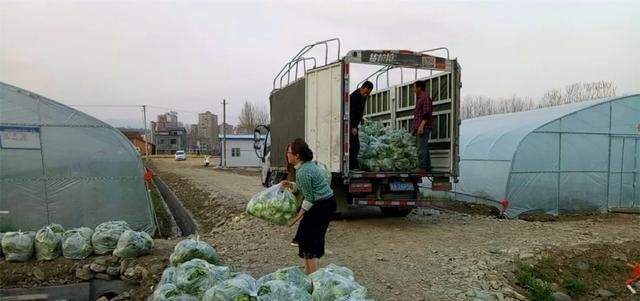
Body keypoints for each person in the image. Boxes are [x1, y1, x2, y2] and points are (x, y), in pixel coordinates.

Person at [281, 138, 336, 274]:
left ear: (297, 156)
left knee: (310, 243)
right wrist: (291, 185)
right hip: (325, 203)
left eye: (289, 152)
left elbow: (309, 199)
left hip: (322, 205)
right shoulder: (306, 167)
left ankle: (315, 280)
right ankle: (308, 276)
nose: (287, 154)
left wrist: (297, 217)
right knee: (306, 240)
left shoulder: (303, 171)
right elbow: (303, 187)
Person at [349, 81, 374, 170]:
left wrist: (361, 118)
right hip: (351, 124)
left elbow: (359, 111)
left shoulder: (363, 97)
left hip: (355, 123)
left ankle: (353, 164)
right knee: (355, 145)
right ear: (362, 88)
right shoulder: (354, 97)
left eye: (368, 93)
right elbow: (351, 113)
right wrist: (353, 126)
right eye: (366, 92)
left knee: (355, 145)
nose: (366, 94)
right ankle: (352, 165)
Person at [412, 80, 433, 172]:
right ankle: (427, 166)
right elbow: (418, 115)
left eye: (414, 87)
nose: (414, 89)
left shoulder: (425, 98)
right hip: (420, 127)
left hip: (423, 127)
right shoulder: (419, 98)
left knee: (421, 148)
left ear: (419, 88)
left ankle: (422, 167)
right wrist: (414, 129)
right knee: (424, 147)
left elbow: (426, 114)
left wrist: (421, 126)